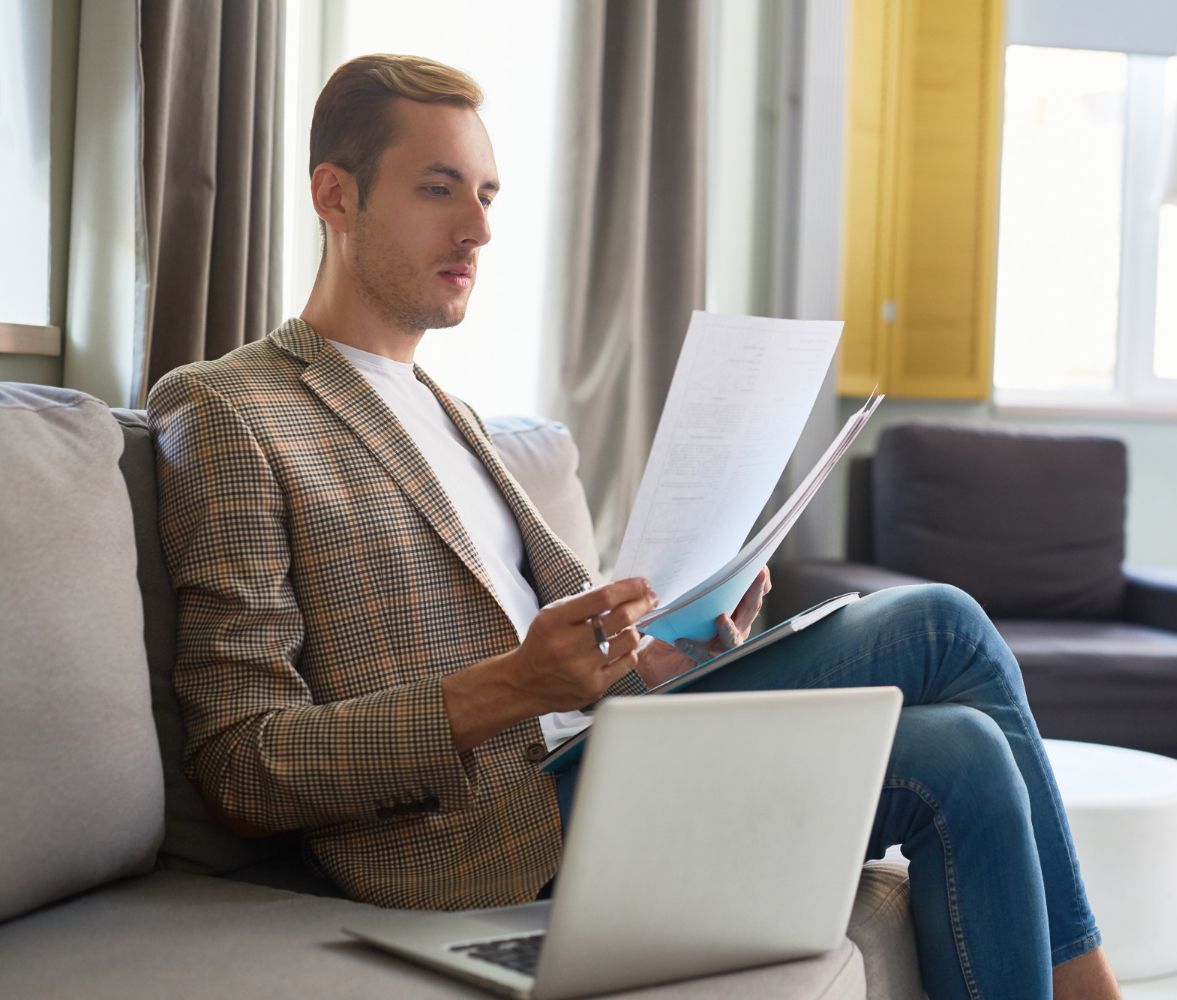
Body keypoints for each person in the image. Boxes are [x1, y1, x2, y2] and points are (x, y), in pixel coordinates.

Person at [147, 54, 1121, 1000]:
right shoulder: (233, 409)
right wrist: (510, 687)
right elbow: (243, 760)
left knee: (967, 754)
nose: (477, 229)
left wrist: (676, 646)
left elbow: (572, 659)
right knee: (941, 625)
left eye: (488, 195)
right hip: (477, 831)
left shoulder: (456, 416)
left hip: (615, 748)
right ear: (335, 195)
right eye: (439, 189)